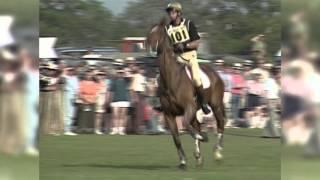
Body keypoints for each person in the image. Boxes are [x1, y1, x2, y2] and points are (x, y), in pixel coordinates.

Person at [165, 2, 210, 114]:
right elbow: (167, 45)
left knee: (195, 78)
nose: (170, 14)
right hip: (177, 58)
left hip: (190, 57)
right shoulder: (167, 28)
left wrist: (185, 45)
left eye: (173, 11)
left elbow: (197, 43)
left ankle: (203, 102)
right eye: (169, 12)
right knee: (163, 76)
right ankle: (164, 102)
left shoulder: (189, 24)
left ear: (179, 13)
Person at [109, 68, 131, 135]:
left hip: (124, 100)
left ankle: (121, 129)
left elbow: (129, 76)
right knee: (115, 116)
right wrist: (110, 100)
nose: (120, 74)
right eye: (119, 73)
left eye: (121, 73)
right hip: (115, 100)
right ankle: (115, 129)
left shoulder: (126, 80)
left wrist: (125, 71)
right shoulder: (114, 81)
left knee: (122, 116)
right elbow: (111, 92)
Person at [63, 65, 78, 136]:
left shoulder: (75, 78)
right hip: (66, 96)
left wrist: (76, 97)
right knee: (66, 113)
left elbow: (77, 89)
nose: (70, 72)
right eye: (69, 70)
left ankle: (68, 129)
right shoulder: (64, 77)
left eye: (72, 70)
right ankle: (65, 129)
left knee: (71, 114)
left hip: (73, 97)